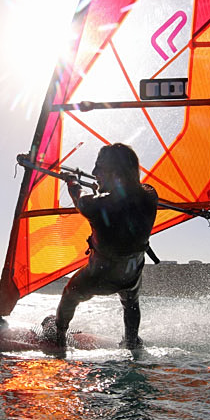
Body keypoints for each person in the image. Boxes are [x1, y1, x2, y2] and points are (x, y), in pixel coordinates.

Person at [43, 143, 158, 351]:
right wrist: (103, 188)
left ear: (115, 172)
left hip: (101, 275)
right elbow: (123, 201)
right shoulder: (150, 195)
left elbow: (80, 199)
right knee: (130, 302)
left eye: (99, 167)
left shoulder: (96, 205)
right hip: (132, 272)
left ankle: (58, 334)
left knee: (70, 293)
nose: (94, 172)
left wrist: (72, 182)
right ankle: (132, 341)